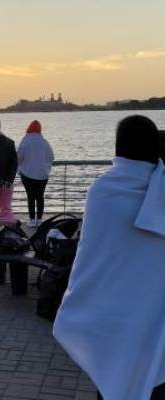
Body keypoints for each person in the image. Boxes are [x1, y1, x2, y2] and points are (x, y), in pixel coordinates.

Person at [53, 115, 165, 400]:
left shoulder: (102, 191)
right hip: (156, 313)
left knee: (115, 375)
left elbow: (92, 255)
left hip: (114, 311)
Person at [17, 120, 54, 227]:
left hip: (27, 175)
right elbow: (51, 157)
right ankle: (40, 219)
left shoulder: (25, 140)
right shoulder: (44, 141)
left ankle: (32, 220)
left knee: (31, 197)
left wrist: (22, 167)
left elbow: (19, 157)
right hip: (43, 175)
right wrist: (45, 167)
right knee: (40, 197)